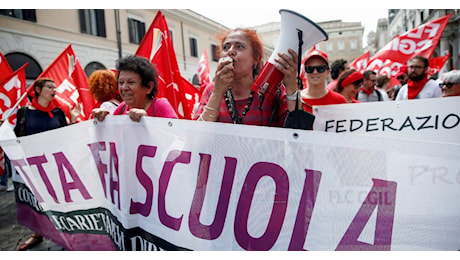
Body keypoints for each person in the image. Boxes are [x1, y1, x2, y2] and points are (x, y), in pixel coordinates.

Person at [13, 77, 80, 250]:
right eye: (49, 87)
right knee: (36, 200)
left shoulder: (57, 112)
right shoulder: (24, 113)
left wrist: (72, 119)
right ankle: (37, 233)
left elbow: (66, 136)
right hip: (33, 165)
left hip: (54, 165)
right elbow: (17, 138)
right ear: (37, 90)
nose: (53, 90)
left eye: (54, 87)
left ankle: (66, 233)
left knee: (59, 199)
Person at [192, 28, 301, 126]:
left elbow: (298, 131)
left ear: (255, 59)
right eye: (226, 47)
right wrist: (217, 93)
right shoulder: (211, 90)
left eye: (240, 46)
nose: (230, 51)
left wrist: (291, 87)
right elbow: (198, 135)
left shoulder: (271, 90)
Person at [92, 55, 178, 122]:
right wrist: (101, 119)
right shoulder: (121, 109)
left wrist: (147, 121)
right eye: (121, 83)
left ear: (149, 87)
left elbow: (177, 136)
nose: (124, 88)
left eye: (131, 82)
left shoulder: (161, 106)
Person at [300, 49, 347, 113]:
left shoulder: (339, 100)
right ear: (304, 73)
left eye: (320, 68)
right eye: (309, 69)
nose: (315, 72)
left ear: (328, 72)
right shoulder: (296, 100)